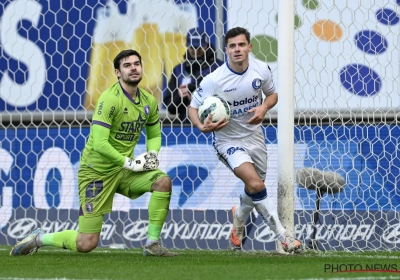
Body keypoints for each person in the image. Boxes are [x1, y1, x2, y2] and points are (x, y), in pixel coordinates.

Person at [10, 49, 177, 257]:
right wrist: (130, 163)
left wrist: (152, 154)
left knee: (163, 181)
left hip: (124, 171)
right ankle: (39, 238)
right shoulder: (109, 99)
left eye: (136, 64)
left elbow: (154, 134)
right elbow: (99, 144)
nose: (133, 68)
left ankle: (152, 244)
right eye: (127, 65)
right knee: (86, 243)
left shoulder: (149, 101)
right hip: (96, 173)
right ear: (117, 72)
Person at [188, 27, 302, 253]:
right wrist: (202, 126)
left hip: (255, 137)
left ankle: (238, 218)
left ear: (249, 47)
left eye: (241, 45)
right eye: (232, 46)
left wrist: (264, 107)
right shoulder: (214, 79)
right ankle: (284, 237)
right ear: (226, 50)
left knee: (253, 188)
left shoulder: (261, 70)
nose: (237, 49)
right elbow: (192, 108)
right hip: (227, 141)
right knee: (257, 185)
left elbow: (272, 95)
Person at [163, 28, 223, 121]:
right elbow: (170, 109)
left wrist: (198, 96)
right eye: (192, 47)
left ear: (206, 45)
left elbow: (229, 98)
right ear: (187, 46)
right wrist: (179, 97)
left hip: (214, 123)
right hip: (186, 126)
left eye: (199, 47)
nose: (195, 51)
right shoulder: (179, 69)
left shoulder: (219, 67)